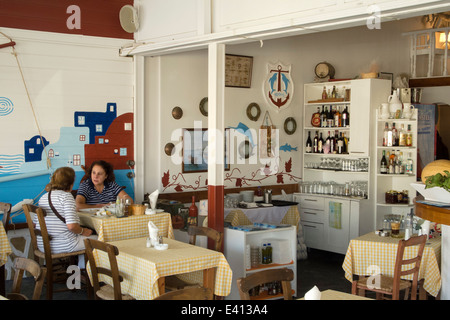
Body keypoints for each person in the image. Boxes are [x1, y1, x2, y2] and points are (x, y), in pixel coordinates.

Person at [37, 167, 97, 268]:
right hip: (63, 245)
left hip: (43, 245)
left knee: (84, 239)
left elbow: (35, 224)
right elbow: (72, 226)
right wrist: (83, 231)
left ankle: (80, 270)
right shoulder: (66, 197)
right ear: (71, 183)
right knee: (102, 240)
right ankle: (88, 273)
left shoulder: (44, 197)